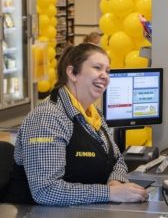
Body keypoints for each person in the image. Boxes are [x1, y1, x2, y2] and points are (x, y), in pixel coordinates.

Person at [2, 43, 148, 206]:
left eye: (107, 70)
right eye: (97, 68)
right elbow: (45, 191)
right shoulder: (48, 117)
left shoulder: (94, 113)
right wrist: (110, 193)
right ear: (72, 73)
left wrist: (115, 181)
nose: (105, 76)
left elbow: (117, 159)